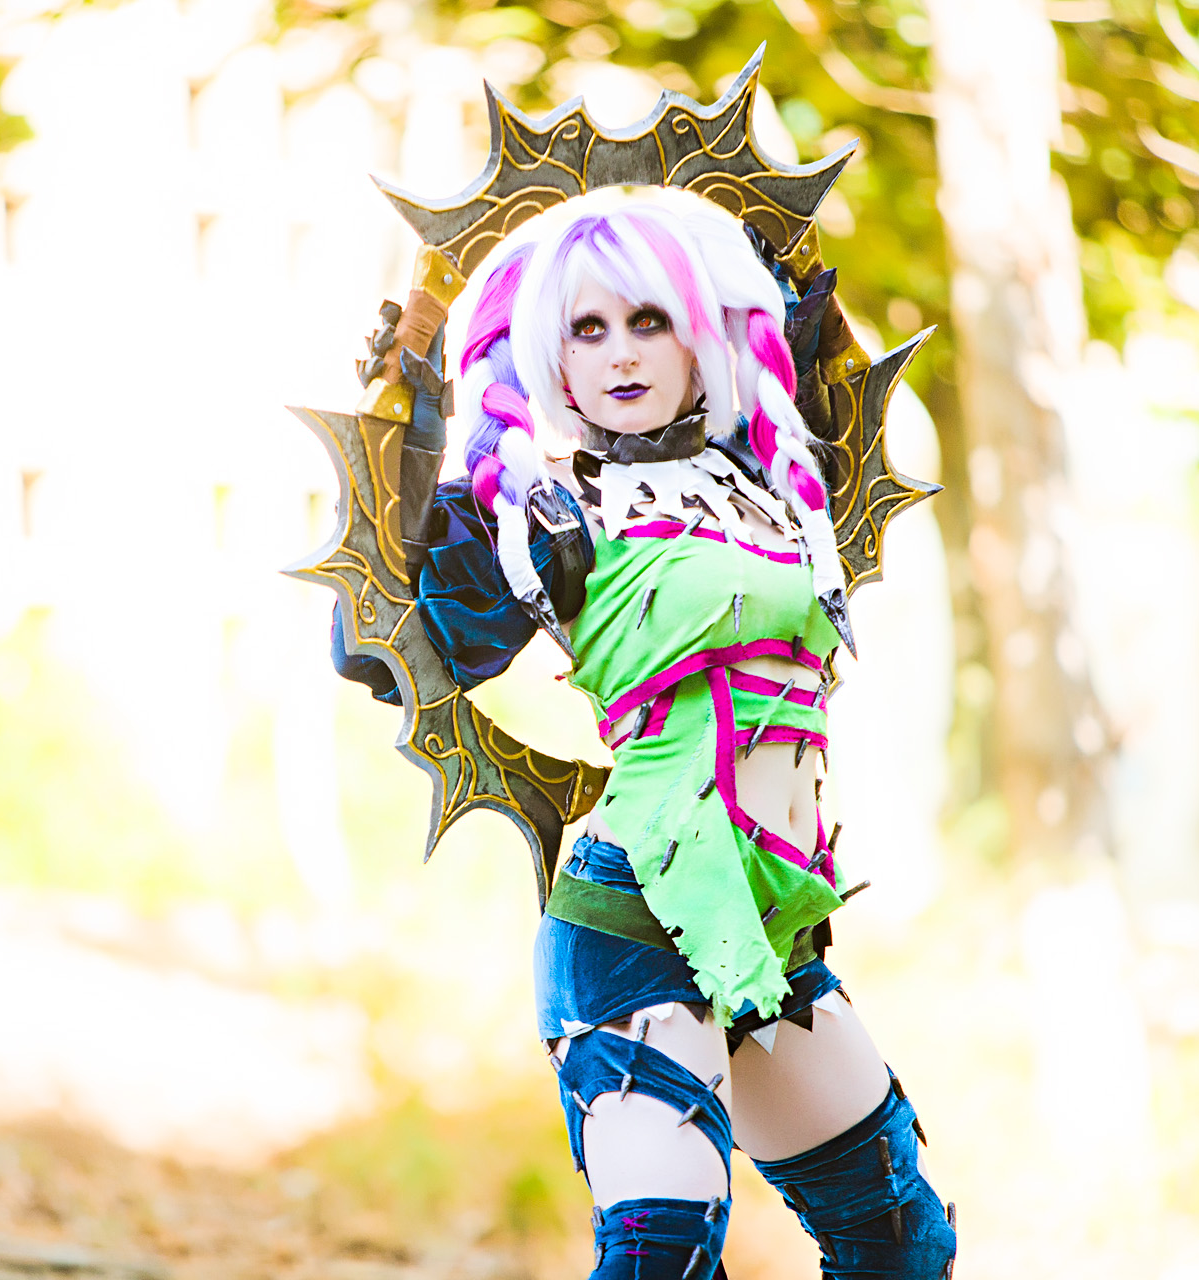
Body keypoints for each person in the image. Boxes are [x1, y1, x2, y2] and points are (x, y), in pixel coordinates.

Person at [349, 188, 958, 1279]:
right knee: (663, 1258)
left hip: (764, 929)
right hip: (634, 924)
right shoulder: (542, 513)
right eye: (587, 328)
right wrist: (404, 419)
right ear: (555, 354)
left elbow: (821, 382)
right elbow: (376, 649)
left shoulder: (768, 481)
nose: (620, 353)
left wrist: (792, 299)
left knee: (901, 1247)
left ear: (700, 333)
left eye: (648, 319)